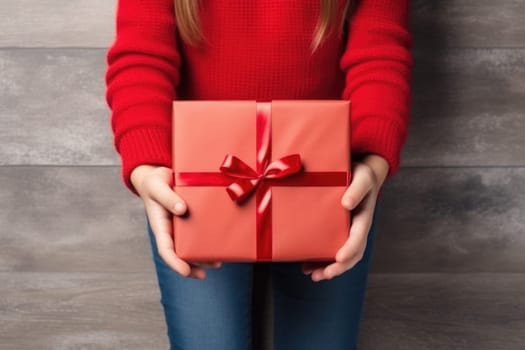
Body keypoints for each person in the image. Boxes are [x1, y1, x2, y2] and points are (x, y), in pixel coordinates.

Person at [104, 0, 412, 349]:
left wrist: (372, 164)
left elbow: (380, 53)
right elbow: (141, 57)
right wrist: (146, 168)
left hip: (329, 182)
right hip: (197, 189)